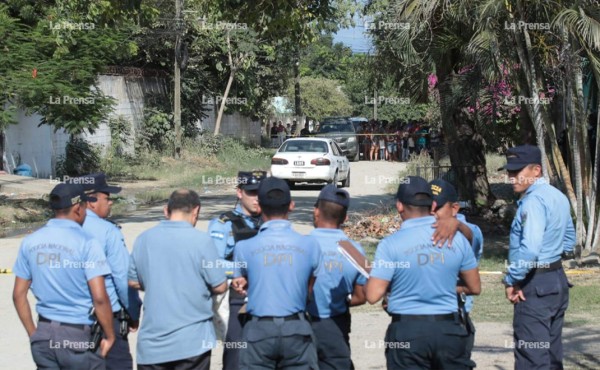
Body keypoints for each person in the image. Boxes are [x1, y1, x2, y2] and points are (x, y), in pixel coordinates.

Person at [365, 176, 480, 369]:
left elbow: (372, 295)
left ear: (400, 206)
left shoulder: (390, 244)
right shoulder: (456, 239)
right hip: (449, 330)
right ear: (433, 204)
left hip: (407, 332)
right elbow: (474, 287)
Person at [13, 183, 115, 369]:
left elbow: (18, 294)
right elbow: (100, 298)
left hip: (44, 336)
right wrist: (109, 335)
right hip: (76, 337)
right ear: (78, 208)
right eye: (85, 207)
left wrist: (34, 334)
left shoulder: (30, 242)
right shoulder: (87, 243)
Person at [129, 189, 227, 370]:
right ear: (196, 211)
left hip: (151, 346)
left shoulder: (143, 239)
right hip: (193, 344)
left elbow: (133, 281)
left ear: (166, 210)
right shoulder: (202, 241)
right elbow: (220, 286)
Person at [232, 177, 321, 369]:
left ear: (260, 206)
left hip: (258, 332)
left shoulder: (243, 247)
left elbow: (241, 281)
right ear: (291, 205)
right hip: (297, 330)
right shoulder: (310, 244)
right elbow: (310, 289)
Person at [499, 144, 574, 370]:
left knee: (531, 359)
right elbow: (569, 240)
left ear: (536, 171)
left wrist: (513, 279)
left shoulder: (532, 201)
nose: (512, 178)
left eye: (517, 172)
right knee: (552, 355)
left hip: (535, 284)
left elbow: (530, 250)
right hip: (556, 281)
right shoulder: (558, 197)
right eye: (510, 172)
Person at [72, 173, 142, 370]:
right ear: (91, 201)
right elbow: (123, 278)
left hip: (65, 322)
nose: (110, 203)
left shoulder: (55, 232)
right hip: (105, 322)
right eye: (107, 198)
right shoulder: (107, 231)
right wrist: (133, 313)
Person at [208, 171, 266, 370]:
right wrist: (241, 271)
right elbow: (213, 264)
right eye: (252, 192)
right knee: (237, 355)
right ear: (239, 193)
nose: (257, 197)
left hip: (267, 296)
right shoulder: (224, 225)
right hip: (236, 297)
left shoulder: (270, 222)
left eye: (261, 192)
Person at [307, 185, 367, 370]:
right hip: (336, 327)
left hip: (302, 325)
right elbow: (362, 296)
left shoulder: (301, 245)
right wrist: (341, 300)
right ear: (346, 218)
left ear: (316, 212)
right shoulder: (356, 251)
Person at [430, 179, 484, 364]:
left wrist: (456, 224)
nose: (431, 212)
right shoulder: (424, 229)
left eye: (437, 208)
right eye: (427, 206)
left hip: (454, 317)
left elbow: (472, 237)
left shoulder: (467, 230)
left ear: (454, 208)